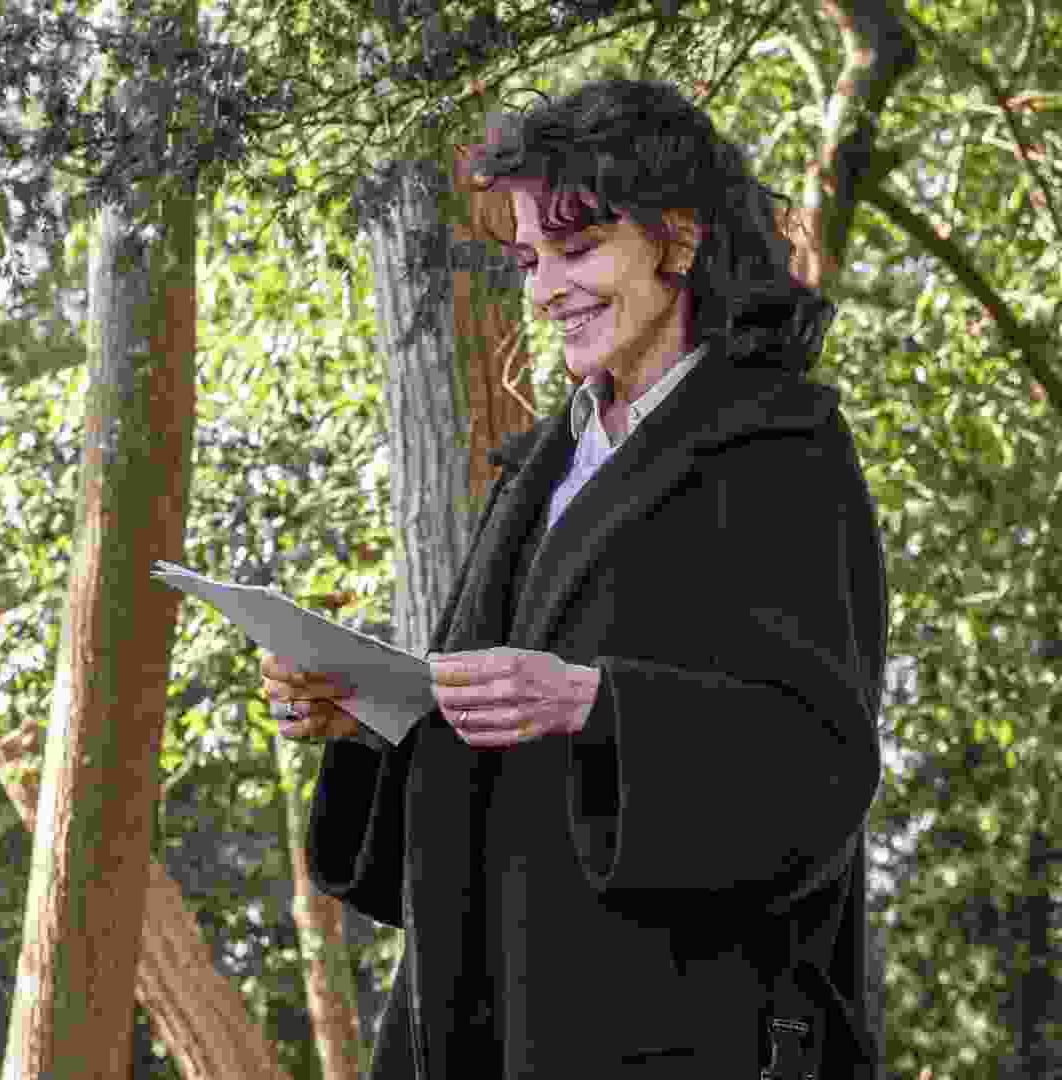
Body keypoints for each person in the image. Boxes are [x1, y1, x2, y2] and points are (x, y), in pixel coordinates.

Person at [262, 77, 887, 1078]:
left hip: (677, 1032)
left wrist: (594, 704)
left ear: (679, 240)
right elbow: (485, 767)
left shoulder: (781, 451)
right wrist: (374, 714)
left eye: (578, 248)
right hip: (482, 1021)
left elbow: (817, 762)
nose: (545, 290)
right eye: (528, 261)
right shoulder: (542, 467)